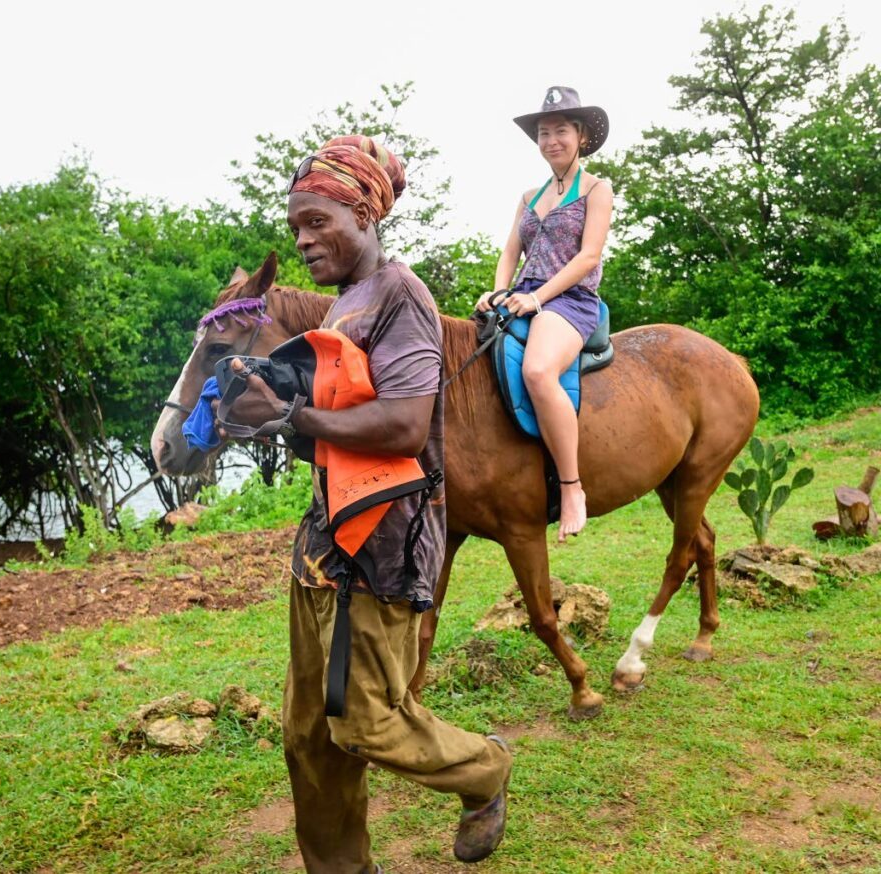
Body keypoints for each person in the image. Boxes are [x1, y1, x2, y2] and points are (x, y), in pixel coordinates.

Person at [218, 136, 513, 873]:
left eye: (318, 221)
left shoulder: (400, 296)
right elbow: (333, 426)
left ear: (363, 211)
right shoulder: (343, 305)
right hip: (322, 545)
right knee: (308, 737)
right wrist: (267, 409)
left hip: (383, 546)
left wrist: (290, 418)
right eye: (295, 227)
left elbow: (405, 426)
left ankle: (484, 771)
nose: (303, 239)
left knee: (367, 726)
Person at [477, 86, 613, 543]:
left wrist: (538, 299)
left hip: (570, 299)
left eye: (560, 131)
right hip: (524, 294)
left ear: (580, 136)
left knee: (537, 370)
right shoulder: (528, 195)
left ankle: (572, 488)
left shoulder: (597, 190)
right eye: (543, 132)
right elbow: (510, 251)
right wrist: (498, 292)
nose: (551, 139)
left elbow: (588, 257)